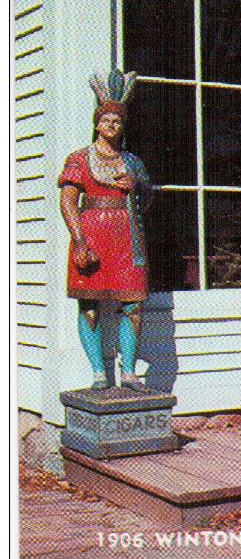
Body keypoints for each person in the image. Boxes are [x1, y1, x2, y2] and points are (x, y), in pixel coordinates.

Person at [58, 71, 152, 391]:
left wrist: (136, 185)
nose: (112, 125)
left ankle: (128, 372)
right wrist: (79, 240)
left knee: (134, 305)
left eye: (117, 121)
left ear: (122, 127)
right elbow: (68, 201)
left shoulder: (133, 162)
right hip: (92, 237)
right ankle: (99, 372)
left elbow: (149, 199)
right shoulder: (79, 159)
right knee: (89, 306)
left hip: (127, 239)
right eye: (106, 119)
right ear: (97, 123)